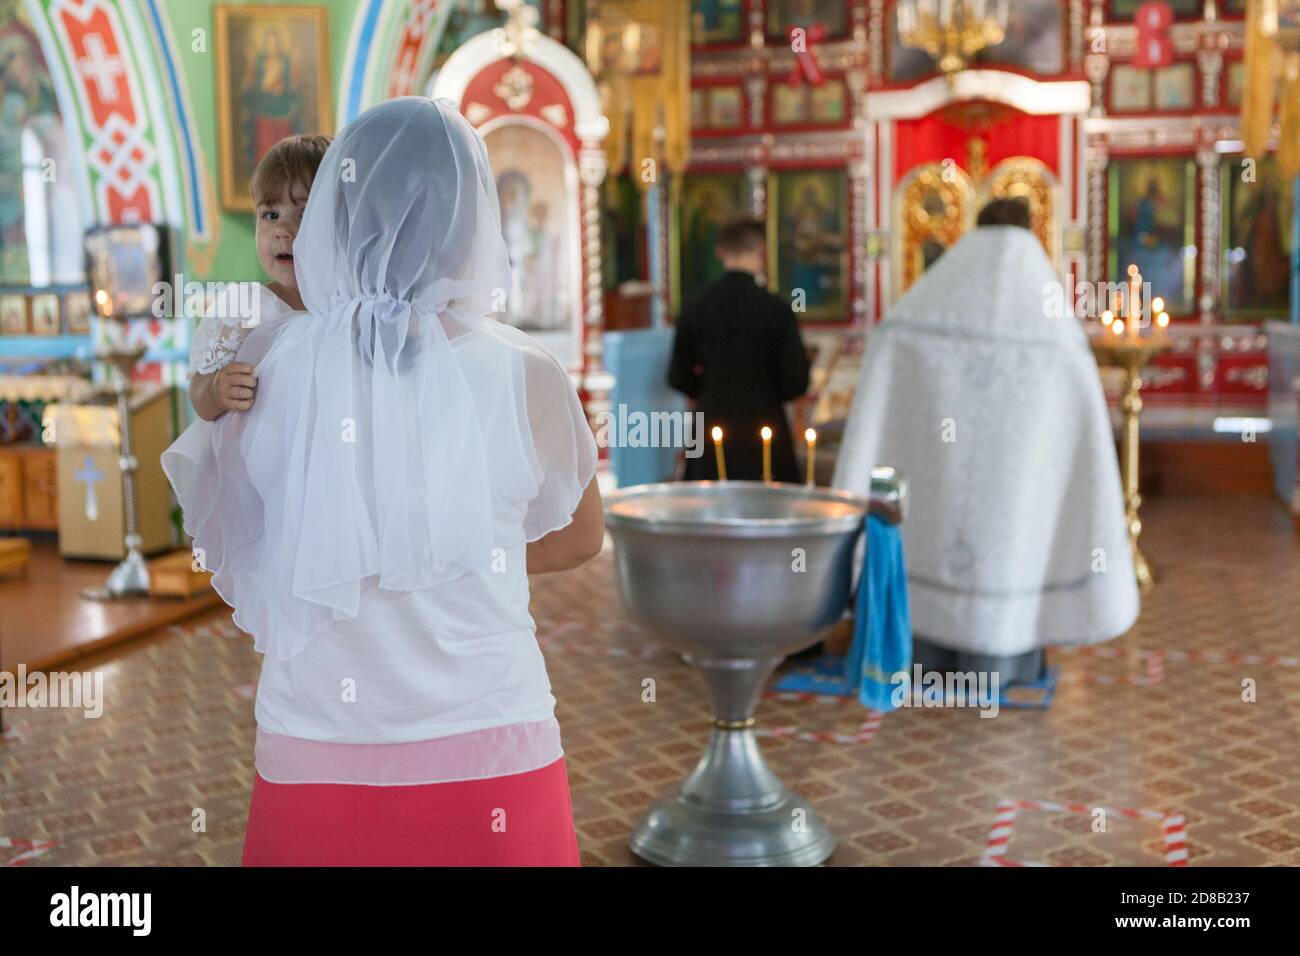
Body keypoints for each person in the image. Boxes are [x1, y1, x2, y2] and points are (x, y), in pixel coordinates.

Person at [163, 97, 603, 866]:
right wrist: (459, 544)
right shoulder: (528, 371)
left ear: (337, 210)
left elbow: (231, 527)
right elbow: (580, 538)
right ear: (471, 225)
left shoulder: (268, 362)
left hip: (318, 742)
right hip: (490, 737)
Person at [833, 198, 1139, 686]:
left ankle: (924, 660)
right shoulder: (1055, 332)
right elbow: (1079, 439)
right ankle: (1000, 668)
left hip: (931, 507)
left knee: (927, 550)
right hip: (1014, 507)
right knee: (1013, 553)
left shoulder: (913, 318)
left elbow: (880, 409)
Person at [188, 134, 329, 421]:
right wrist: (216, 390)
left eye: (303, 215)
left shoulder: (350, 308)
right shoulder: (247, 307)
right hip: (259, 462)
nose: (282, 230)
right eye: (271, 214)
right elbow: (198, 392)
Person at [668, 218, 811, 482]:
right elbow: (796, 382)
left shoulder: (695, 306)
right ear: (761, 253)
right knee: (770, 510)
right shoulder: (777, 308)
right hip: (767, 428)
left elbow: (677, 376)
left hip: (711, 424)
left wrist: (709, 389)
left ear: (720, 252)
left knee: (708, 512)